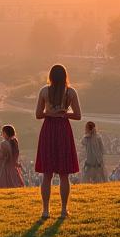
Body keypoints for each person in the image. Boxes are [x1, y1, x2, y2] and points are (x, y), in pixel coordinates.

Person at [35, 64, 82, 219]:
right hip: (63, 129)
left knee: (47, 174)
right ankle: (63, 210)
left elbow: (38, 115)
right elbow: (78, 115)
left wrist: (51, 113)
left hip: (48, 128)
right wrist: (63, 114)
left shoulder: (44, 91)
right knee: (64, 174)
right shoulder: (70, 92)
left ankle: (45, 210)